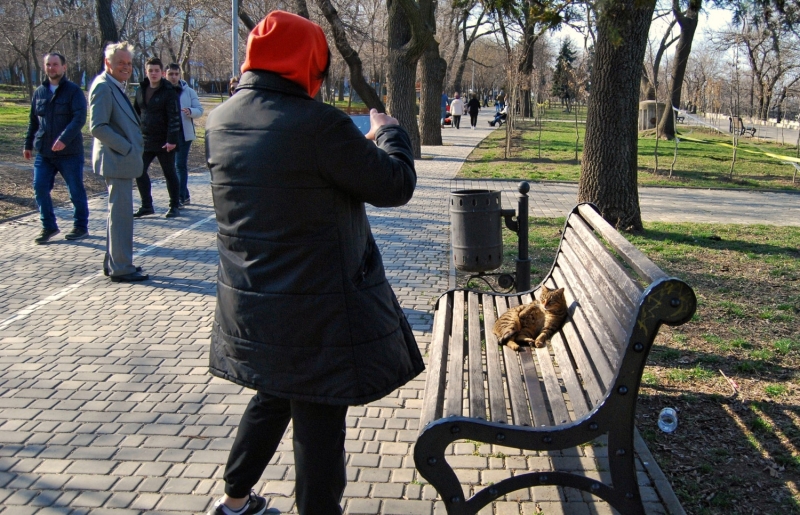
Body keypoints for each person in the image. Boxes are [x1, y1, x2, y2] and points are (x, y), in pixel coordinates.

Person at [204, 11, 424, 515]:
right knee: (319, 420)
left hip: (254, 303)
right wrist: (389, 133)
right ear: (307, 63)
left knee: (272, 397)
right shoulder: (321, 126)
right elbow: (396, 186)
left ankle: (234, 503)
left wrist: (350, 151)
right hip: (316, 308)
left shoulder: (220, 121)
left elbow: (286, 174)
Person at [89, 42, 149, 282]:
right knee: (121, 215)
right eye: (120, 63)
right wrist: (126, 147)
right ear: (108, 63)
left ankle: (114, 262)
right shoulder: (103, 87)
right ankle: (121, 267)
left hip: (121, 162)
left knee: (118, 214)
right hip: (116, 160)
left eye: (128, 63)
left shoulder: (116, 86)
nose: (126, 67)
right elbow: (97, 126)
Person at [24, 52, 89, 244]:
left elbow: (79, 119)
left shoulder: (74, 91)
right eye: (48, 65)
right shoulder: (40, 92)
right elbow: (33, 121)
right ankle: (48, 226)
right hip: (44, 152)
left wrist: (64, 139)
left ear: (64, 67)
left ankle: (80, 226)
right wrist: (28, 144)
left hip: (69, 152)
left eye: (55, 64)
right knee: (39, 187)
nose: (51, 68)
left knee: (75, 189)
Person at [132, 57, 182, 218]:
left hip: (165, 141)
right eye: (150, 70)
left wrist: (172, 140)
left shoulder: (169, 92)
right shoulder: (141, 90)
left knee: (169, 173)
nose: (153, 73)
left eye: (156, 71)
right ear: (146, 72)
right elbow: (135, 114)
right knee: (139, 171)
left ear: (161, 72)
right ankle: (147, 205)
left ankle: (174, 204)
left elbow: (174, 117)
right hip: (145, 140)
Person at [166, 63, 203, 205]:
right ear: (166, 75)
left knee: (180, 165)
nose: (174, 77)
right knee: (171, 167)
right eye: (171, 74)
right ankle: (184, 193)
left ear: (180, 75)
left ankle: (180, 197)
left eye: (176, 74)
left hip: (184, 134)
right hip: (167, 134)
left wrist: (190, 111)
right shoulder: (162, 90)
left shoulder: (188, 91)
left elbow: (199, 110)